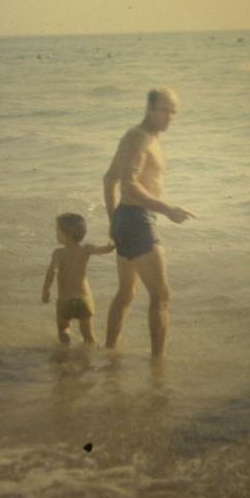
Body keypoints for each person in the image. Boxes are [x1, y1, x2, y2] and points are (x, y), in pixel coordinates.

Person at [103, 88, 195, 357]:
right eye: (165, 110)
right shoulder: (140, 139)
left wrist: (113, 222)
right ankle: (158, 365)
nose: (170, 117)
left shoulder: (140, 137)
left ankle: (109, 352)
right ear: (149, 109)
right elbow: (128, 186)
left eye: (174, 111)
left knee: (126, 293)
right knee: (161, 296)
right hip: (136, 219)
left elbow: (109, 179)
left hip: (126, 218)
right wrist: (167, 209)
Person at [41, 213, 114, 345]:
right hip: (84, 299)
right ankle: (89, 359)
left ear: (66, 234)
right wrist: (113, 242)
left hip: (65, 300)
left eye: (57, 230)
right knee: (88, 335)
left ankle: (65, 356)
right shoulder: (86, 249)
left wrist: (45, 291)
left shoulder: (58, 253)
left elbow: (52, 271)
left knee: (63, 329)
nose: (56, 234)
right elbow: (105, 249)